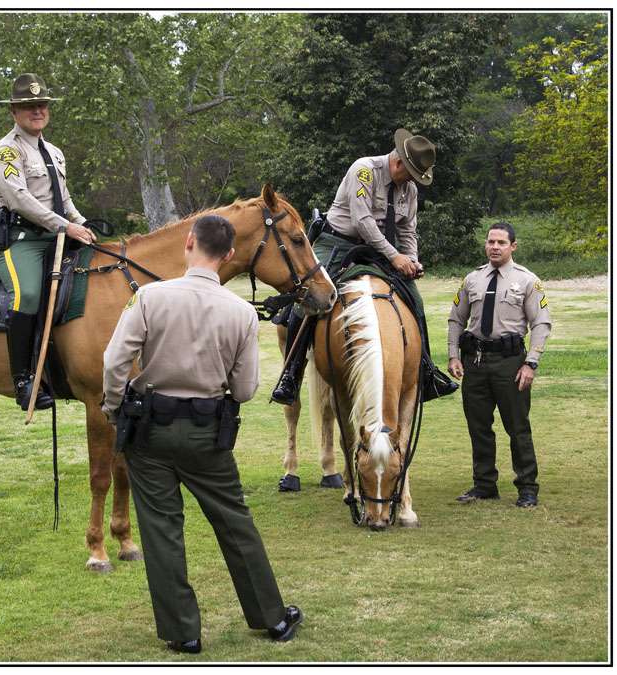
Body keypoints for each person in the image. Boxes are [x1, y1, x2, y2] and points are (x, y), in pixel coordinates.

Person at [102, 214, 303, 654]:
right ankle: (272, 618)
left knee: (161, 531)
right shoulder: (240, 313)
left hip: (148, 433)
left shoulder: (149, 297)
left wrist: (114, 407)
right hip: (208, 433)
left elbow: (116, 361)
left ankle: (182, 631)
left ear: (188, 242)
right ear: (229, 255)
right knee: (235, 524)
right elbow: (247, 389)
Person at [271, 128, 458, 405]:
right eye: (411, 173)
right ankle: (292, 374)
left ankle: (426, 372)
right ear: (398, 164)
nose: (412, 181)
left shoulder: (410, 190)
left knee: (415, 301)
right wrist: (395, 257)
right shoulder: (365, 170)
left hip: (380, 250)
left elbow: (408, 231)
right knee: (309, 296)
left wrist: (412, 260)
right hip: (339, 241)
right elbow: (363, 222)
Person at [0, 73, 97, 411]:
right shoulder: (6, 152)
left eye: (42, 105)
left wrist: (80, 222)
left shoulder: (54, 152)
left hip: (56, 237)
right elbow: (20, 201)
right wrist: (66, 226)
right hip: (19, 241)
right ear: (14, 112)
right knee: (29, 293)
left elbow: (63, 198)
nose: (37, 110)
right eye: (28, 106)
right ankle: (23, 379)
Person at [447, 222, 551, 508]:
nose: (494, 247)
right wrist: (453, 355)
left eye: (501, 243)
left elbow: (541, 323)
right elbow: (456, 319)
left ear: (513, 246)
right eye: (491, 242)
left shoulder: (528, 281)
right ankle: (484, 485)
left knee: (517, 428)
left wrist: (531, 363)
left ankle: (527, 487)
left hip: (510, 364)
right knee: (478, 426)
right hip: (476, 362)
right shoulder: (472, 280)